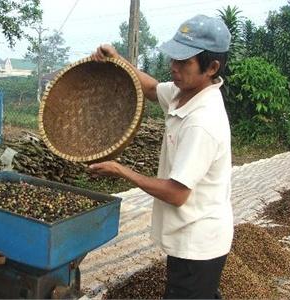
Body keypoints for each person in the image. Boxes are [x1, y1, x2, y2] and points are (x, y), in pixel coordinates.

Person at [89, 14, 234, 299]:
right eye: (174, 59)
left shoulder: (202, 122)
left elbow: (177, 193)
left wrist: (122, 171)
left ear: (212, 67)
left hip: (198, 242)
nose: (174, 67)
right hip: (190, 235)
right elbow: (153, 89)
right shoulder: (185, 92)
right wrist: (118, 59)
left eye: (184, 62)